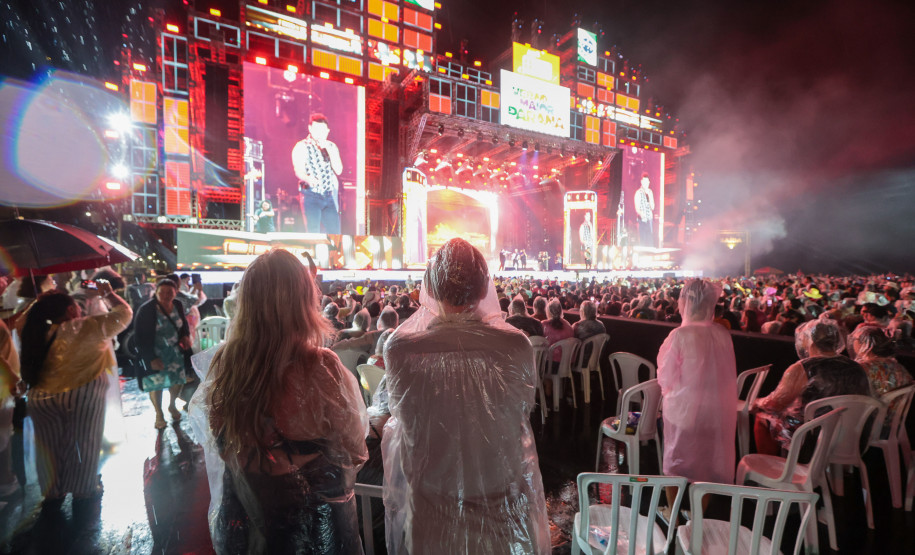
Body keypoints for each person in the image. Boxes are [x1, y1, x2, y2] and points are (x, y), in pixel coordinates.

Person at [382, 238, 549, 554]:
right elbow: (519, 413)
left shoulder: (401, 350)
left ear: (430, 284)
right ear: (484, 286)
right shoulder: (516, 347)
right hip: (503, 506)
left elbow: (405, 423)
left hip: (432, 511)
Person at [195, 249, 368, 553]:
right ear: (304, 301)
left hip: (248, 523)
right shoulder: (321, 367)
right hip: (315, 528)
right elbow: (353, 450)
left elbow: (220, 443)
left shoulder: (225, 363)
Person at [18, 281, 131, 515]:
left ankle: (52, 491)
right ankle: (83, 489)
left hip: (41, 398)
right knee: (83, 442)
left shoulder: (35, 332)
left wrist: (39, 304)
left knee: (48, 447)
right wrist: (108, 293)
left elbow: (22, 321)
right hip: (82, 393)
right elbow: (124, 313)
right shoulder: (89, 326)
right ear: (71, 311)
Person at [657, 280, 737, 512]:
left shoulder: (680, 335)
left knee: (675, 461)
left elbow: (666, 376)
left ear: (687, 302)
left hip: (684, 409)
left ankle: (673, 513)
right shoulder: (723, 334)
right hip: (715, 411)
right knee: (707, 463)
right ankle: (698, 514)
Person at [752, 318, 870, 455]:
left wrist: (757, 402)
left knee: (763, 416)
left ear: (809, 340)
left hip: (812, 441)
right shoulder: (857, 367)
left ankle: (772, 468)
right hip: (851, 439)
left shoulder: (802, 368)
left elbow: (775, 403)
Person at [133, 279, 192, 429]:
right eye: (162, 292)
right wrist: (150, 358)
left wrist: (185, 335)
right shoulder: (146, 310)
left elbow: (183, 323)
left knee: (177, 380)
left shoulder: (177, 304)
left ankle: (172, 405)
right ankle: (159, 414)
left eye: (169, 293)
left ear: (176, 292)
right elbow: (139, 336)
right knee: (156, 383)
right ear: (156, 292)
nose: (165, 296)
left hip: (174, 352)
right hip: (154, 352)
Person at [293, 113, 344, 234]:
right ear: (310, 129)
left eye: (322, 130)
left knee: (335, 232)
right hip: (311, 196)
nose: (320, 133)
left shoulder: (331, 146)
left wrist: (330, 150)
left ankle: (335, 252)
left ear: (327, 131)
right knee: (313, 232)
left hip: (328, 196)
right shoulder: (301, 146)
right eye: (316, 129)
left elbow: (339, 170)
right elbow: (298, 170)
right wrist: (308, 178)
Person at [848, 325, 913, 398]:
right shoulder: (896, 365)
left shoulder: (862, 368)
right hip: (899, 408)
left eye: (855, 339)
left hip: (876, 408)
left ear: (865, 344)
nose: (852, 342)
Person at [634, 172, 655, 247]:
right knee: (643, 239)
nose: (646, 183)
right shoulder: (638, 193)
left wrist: (649, 198)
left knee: (650, 240)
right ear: (641, 182)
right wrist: (641, 214)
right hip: (642, 220)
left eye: (647, 182)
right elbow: (637, 208)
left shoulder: (650, 192)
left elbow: (652, 207)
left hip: (649, 219)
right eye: (644, 181)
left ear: (649, 182)